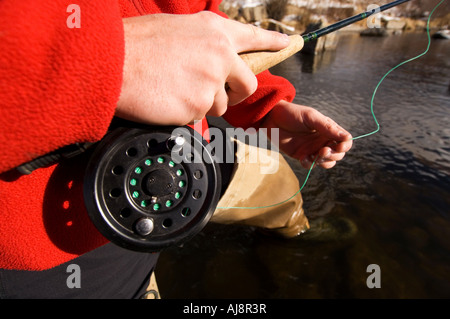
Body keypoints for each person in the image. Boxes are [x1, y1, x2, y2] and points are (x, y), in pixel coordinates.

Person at [0, 0, 352, 298]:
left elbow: (204, 26)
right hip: (40, 251)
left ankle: (298, 229)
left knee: (277, 175)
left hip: (185, 153)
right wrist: (109, 61)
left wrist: (265, 109)